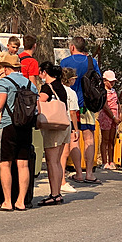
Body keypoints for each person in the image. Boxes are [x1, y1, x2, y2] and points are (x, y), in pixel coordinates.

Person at [0, 54, 38, 211]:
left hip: (8, 126)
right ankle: (21, 201)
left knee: (5, 163)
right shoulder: (30, 84)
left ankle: (7, 201)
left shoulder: (5, 82)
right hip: (25, 127)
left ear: (5, 68)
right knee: (23, 164)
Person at [60, 36, 102, 184]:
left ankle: (78, 173)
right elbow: (99, 81)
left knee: (74, 139)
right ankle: (89, 173)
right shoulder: (92, 62)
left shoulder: (65, 62)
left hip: (70, 105)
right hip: (87, 105)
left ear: (72, 47)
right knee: (89, 138)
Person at [37, 62, 71, 206]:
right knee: (57, 161)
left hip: (53, 127)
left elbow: (40, 102)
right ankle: (57, 193)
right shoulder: (61, 86)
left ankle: (54, 193)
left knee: (52, 161)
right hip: (65, 125)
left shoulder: (47, 87)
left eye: (40, 72)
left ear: (45, 72)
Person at [60, 67, 80, 193]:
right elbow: (72, 112)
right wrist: (76, 129)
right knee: (64, 153)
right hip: (66, 123)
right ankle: (62, 181)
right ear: (70, 79)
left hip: (56, 122)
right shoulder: (71, 93)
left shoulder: (56, 89)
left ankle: (59, 179)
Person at [98, 70, 121, 170]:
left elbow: (117, 103)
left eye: (113, 82)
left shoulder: (114, 91)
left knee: (112, 140)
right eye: (110, 81)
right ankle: (104, 162)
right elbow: (105, 106)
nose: (112, 83)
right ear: (104, 81)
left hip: (114, 118)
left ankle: (111, 160)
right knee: (105, 139)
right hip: (106, 117)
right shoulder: (103, 92)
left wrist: (119, 114)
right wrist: (113, 117)